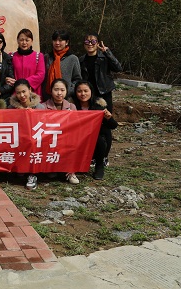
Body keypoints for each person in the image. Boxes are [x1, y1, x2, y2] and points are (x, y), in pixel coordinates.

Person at [79, 32, 122, 168]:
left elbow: (118, 68)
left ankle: (104, 157)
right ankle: (93, 156)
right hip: (89, 97)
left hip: (104, 94)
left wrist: (107, 52)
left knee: (105, 126)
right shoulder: (81, 60)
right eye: (87, 41)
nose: (90, 44)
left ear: (97, 43)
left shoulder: (104, 58)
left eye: (93, 41)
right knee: (90, 127)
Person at [73, 80, 118, 181]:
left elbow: (113, 126)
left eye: (86, 91)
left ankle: (99, 165)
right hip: (77, 135)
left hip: (94, 137)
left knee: (101, 136)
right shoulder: (72, 105)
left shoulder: (99, 105)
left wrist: (109, 118)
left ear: (91, 91)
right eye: (79, 91)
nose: (83, 94)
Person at [7, 79, 44, 190]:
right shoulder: (11, 108)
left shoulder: (40, 107)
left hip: (35, 139)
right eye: (18, 93)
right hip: (18, 138)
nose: (22, 95)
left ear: (30, 90)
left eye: (24, 91)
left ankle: (32, 174)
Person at [44, 78, 79, 185]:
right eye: (56, 90)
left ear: (66, 91)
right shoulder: (43, 106)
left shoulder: (72, 106)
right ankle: (51, 168)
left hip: (66, 138)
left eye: (62, 90)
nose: (59, 93)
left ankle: (70, 172)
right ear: (51, 91)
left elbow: (76, 125)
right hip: (50, 138)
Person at [8, 29, 46, 100]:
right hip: (16, 93)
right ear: (17, 41)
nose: (24, 42)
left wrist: (23, 84)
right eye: (21, 40)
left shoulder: (38, 56)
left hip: (33, 93)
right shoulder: (11, 56)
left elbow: (40, 74)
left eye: (27, 40)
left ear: (31, 41)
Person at [44, 30, 82, 98]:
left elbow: (77, 79)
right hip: (48, 97)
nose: (57, 43)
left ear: (67, 42)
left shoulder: (72, 58)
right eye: (55, 40)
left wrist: (68, 90)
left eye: (60, 40)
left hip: (66, 97)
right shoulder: (47, 57)